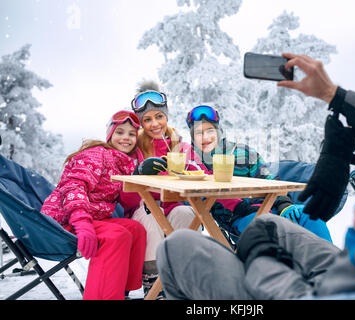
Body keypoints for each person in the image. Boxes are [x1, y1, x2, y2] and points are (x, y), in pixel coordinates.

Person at [155, 0, 355, 299]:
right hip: (342, 267)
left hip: (336, 289)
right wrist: (334, 95)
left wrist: (261, 261)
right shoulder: (190, 158)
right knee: (270, 225)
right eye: (199, 133)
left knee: (176, 247)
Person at [185, 105, 332, 242]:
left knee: (310, 216)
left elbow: (270, 180)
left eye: (210, 130)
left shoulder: (243, 153)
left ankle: (332, 265)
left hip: (271, 206)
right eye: (198, 132)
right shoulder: (193, 163)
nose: (205, 137)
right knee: (274, 228)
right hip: (242, 218)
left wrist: (284, 204)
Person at [41, 110, 147, 300]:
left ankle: (121, 291)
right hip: (64, 219)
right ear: (110, 134)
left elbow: (128, 200)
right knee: (117, 236)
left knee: (135, 229)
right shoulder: (97, 154)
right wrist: (82, 223)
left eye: (132, 134)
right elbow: (73, 186)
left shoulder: (127, 164)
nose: (126, 138)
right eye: (120, 132)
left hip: (93, 218)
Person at [127, 80, 201, 297]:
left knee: (186, 213)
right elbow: (124, 191)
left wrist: (189, 167)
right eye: (147, 119)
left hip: (174, 204)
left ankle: (184, 279)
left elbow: (201, 172)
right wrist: (139, 172)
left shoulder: (180, 145)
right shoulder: (135, 147)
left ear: (166, 116)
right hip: (143, 208)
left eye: (159, 116)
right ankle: (154, 284)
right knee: (150, 218)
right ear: (141, 123)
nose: (154, 124)